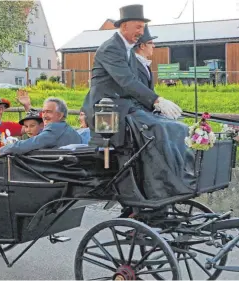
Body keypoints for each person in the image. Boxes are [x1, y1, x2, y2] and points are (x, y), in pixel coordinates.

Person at [81, 4, 195, 200]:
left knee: (176, 128)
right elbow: (127, 81)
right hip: (108, 111)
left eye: (143, 28)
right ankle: (158, 189)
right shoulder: (110, 49)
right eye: (138, 27)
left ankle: (178, 181)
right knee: (157, 130)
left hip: (125, 107)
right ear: (124, 26)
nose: (140, 32)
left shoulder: (128, 51)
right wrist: (157, 101)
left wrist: (156, 107)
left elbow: (134, 86)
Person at [0, 97, 81, 157]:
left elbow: (27, 144)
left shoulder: (54, 129)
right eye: (44, 111)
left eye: (49, 112)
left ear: (60, 115)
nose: (44, 115)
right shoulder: (69, 129)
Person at [134, 24, 157, 91]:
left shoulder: (144, 64)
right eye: (150, 43)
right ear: (142, 46)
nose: (153, 46)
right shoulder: (132, 64)